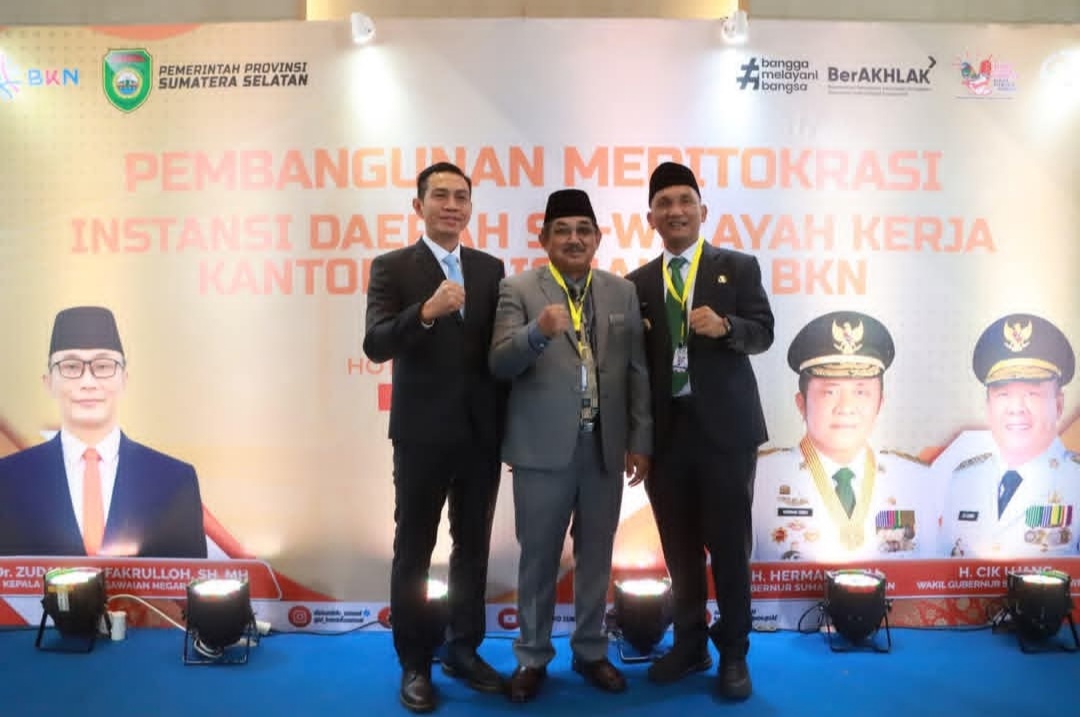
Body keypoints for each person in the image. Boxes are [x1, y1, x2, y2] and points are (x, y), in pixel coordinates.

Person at [490, 188, 651, 703]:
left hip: (603, 448)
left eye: (584, 230)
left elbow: (637, 371)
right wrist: (537, 332)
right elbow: (500, 363)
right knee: (538, 558)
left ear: (598, 238)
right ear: (544, 239)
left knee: (597, 555)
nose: (574, 239)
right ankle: (532, 655)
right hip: (541, 451)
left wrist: (640, 439)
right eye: (562, 230)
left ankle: (590, 650)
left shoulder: (621, 292)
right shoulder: (517, 289)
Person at [626, 162, 773, 701]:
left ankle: (734, 651)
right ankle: (690, 644)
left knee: (729, 549)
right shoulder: (638, 283)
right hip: (667, 438)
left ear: (702, 211)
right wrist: (637, 440)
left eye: (685, 201)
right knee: (680, 550)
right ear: (650, 218)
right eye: (664, 204)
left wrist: (728, 326)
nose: (676, 211)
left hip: (726, 435)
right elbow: (634, 368)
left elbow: (764, 332)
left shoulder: (737, 267)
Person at [362, 162, 506, 713]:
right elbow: (376, 342)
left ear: (470, 207)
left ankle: (464, 649)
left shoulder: (490, 269)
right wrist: (424, 312)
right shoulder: (393, 267)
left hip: (481, 436)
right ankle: (415, 661)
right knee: (414, 550)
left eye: (460, 197)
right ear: (417, 205)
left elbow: (498, 354)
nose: (451, 205)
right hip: (421, 436)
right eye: (440, 195)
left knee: (472, 548)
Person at [0, 306, 207, 559]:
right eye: (71, 367)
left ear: (124, 379)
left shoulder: (174, 480)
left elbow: (187, 578)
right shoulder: (7, 479)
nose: (88, 382)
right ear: (49, 382)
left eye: (103, 366)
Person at [752, 311, 938, 563]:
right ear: (801, 403)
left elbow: (929, 576)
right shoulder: (758, 479)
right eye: (830, 392)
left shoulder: (915, 480)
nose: (846, 407)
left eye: (861, 392)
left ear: (880, 403)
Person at [940, 313, 1079, 558]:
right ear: (988, 406)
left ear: (1058, 405)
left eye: (1032, 394)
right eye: (1003, 394)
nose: (1016, 408)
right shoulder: (963, 480)